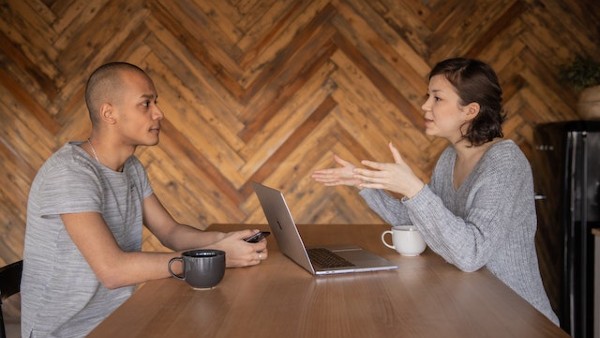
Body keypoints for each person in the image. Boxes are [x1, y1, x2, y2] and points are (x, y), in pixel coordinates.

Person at [21, 62, 269, 337]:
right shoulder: (69, 173)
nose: (159, 113)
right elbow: (112, 270)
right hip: (70, 333)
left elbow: (170, 232)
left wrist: (228, 241)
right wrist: (214, 258)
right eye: (145, 104)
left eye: (156, 103)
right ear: (109, 113)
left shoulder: (132, 168)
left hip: (120, 320)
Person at [312, 57, 559, 324]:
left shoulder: (504, 164)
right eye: (427, 96)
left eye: (437, 98)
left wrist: (414, 189)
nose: (425, 105)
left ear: (470, 110)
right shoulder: (449, 159)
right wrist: (364, 184)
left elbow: (471, 254)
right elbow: (421, 223)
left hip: (515, 318)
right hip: (472, 307)